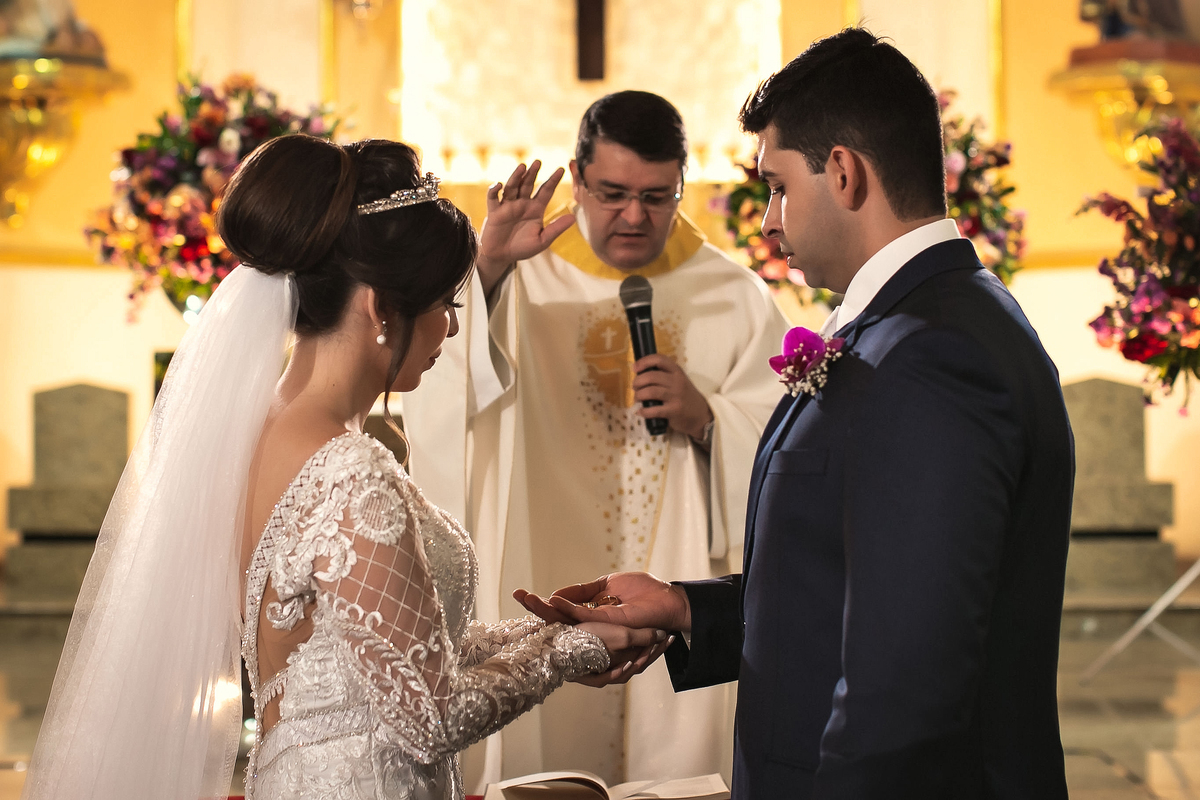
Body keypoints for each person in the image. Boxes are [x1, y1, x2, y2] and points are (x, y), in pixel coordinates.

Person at [20, 135, 670, 800]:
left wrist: (545, 628)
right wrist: (573, 652)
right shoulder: (347, 471)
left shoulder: (261, 432)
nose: (449, 328)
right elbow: (429, 714)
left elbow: (383, 654)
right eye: (446, 303)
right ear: (379, 308)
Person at [520, 29, 1075, 800]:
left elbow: (904, 685)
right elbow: (856, 593)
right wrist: (687, 609)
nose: (770, 220)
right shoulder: (917, 326)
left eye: (778, 185)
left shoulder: (932, 357)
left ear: (842, 172)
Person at [402, 91, 791, 785]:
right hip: (544, 561)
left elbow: (788, 447)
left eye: (657, 196)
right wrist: (485, 271)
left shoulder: (732, 294)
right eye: (612, 193)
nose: (635, 216)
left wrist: (709, 419)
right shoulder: (517, 277)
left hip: (674, 576)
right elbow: (436, 389)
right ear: (577, 179)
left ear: (682, 185)